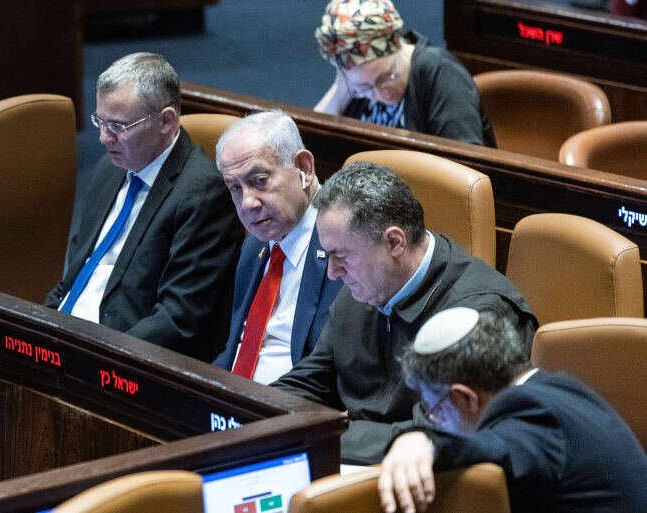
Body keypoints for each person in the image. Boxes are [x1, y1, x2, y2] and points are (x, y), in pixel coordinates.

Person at [271, 162, 536, 465]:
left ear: (394, 242)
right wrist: (257, 417)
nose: (332, 272)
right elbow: (309, 382)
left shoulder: (480, 317)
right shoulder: (365, 284)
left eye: (341, 256)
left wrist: (314, 434)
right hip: (356, 460)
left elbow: (437, 437)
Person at [45, 52, 242, 362]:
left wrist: (96, 357)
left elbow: (177, 319)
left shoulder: (203, 193)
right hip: (67, 338)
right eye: (100, 122)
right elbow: (74, 274)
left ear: (166, 120)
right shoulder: (109, 168)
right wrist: (39, 326)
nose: (104, 138)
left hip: (122, 357)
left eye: (118, 126)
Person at [378, 307, 647, 513]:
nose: (435, 421)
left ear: (465, 398)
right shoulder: (555, 387)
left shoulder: (532, 416)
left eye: (435, 409)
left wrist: (421, 440)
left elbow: (493, 449)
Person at [211, 111, 343, 384]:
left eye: (260, 180)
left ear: (304, 168)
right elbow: (234, 349)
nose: (247, 203)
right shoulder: (255, 245)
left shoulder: (344, 250)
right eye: (235, 188)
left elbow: (333, 375)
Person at [313, 0, 496, 148]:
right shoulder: (353, 86)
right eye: (364, 88)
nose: (379, 94)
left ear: (399, 45)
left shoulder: (441, 72)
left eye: (385, 78)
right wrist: (342, 89)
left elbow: (465, 163)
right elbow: (315, 145)